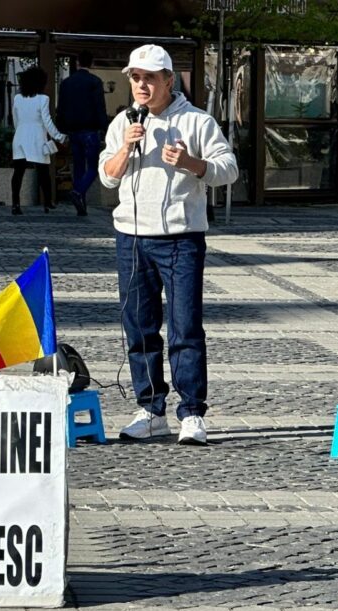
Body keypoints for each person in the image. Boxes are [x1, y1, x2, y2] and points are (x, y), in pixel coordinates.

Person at [98, 44, 238, 445]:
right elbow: (107, 177)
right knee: (139, 327)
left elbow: (228, 169)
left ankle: (192, 413)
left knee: (184, 327)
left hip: (180, 239)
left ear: (168, 81)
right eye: (135, 78)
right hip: (132, 237)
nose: (142, 85)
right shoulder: (123, 122)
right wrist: (126, 146)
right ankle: (150, 409)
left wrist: (192, 163)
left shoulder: (197, 121)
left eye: (150, 78)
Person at [58, 51, 109, 216]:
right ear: (91, 63)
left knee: (78, 167)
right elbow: (100, 107)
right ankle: (79, 192)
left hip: (73, 130)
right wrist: (104, 127)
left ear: (78, 62)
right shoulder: (95, 82)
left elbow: (62, 107)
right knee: (93, 168)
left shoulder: (66, 83)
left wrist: (62, 129)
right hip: (90, 130)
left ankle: (82, 206)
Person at [11, 66, 66, 215]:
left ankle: (15, 204)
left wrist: (20, 131)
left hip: (20, 136)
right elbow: (47, 122)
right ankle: (47, 203)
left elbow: (15, 119)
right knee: (43, 173)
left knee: (18, 173)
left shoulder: (17, 98)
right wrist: (59, 137)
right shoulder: (43, 99)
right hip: (37, 138)